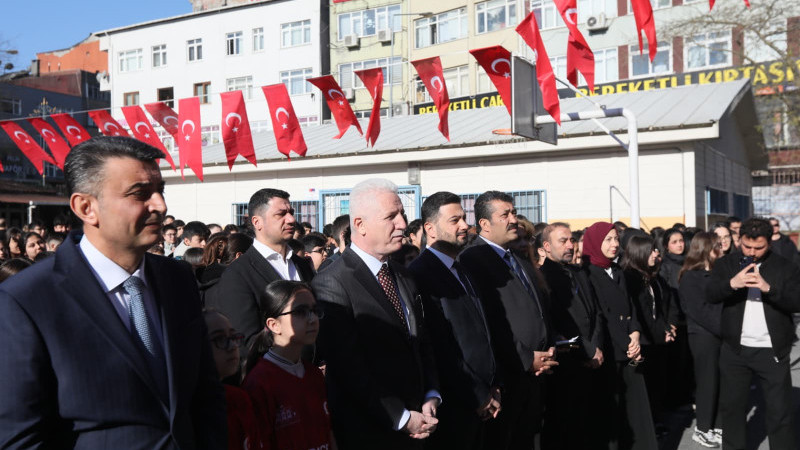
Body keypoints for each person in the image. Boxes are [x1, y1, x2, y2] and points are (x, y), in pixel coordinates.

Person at [0, 136, 225, 447]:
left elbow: (205, 397)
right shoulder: (27, 299)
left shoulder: (178, 279)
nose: (160, 205)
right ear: (86, 207)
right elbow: (21, 437)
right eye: (140, 194)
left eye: (160, 191)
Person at [312, 178, 439, 450]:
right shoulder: (332, 282)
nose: (403, 224)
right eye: (391, 217)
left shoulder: (404, 275)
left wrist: (431, 393)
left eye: (402, 214)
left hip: (421, 420)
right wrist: (401, 418)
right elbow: (348, 366)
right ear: (360, 225)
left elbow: (421, 339)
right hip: (370, 430)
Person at [459, 191, 556, 450]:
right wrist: (526, 358)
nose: (513, 219)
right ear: (485, 224)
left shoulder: (516, 256)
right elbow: (488, 321)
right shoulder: (473, 259)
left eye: (513, 212)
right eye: (505, 215)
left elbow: (537, 308)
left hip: (536, 372)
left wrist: (547, 346)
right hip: (507, 374)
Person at [408, 192, 500, 450]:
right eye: (454, 220)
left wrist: (494, 384)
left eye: (464, 218)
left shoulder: (462, 268)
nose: (464, 226)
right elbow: (440, 346)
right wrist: (478, 394)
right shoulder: (420, 274)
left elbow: (481, 331)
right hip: (455, 404)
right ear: (430, 228)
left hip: (484, 399)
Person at [707, 217, 800, 450]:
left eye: (758, 247)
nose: (752, 252)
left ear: (769, 242)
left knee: (780, 412)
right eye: (747, 246)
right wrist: (733, 283)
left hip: (772, 350)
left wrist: (769, 289)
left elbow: (796, 301)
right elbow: (711, 294)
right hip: (735, 350)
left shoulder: (785, 266)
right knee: (732, 410)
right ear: (740, 241)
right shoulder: (726, 264)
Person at [206, 188, 314, 356]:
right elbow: (245, 341)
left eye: (291, 212)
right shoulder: (239, 273)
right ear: (257, 222)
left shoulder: (302, 265)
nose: (291, 219)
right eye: (281, 214)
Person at [581, 222, 656, 450]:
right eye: (608, 240)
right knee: (612, 414)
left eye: (616, 239)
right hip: (610, 351)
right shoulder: (588, 274)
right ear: (595, 242)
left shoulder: (618, 272)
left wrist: (635, 334)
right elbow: (601, 315)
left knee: (635, 410)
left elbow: (630, 309)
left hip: (629, 347)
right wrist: (626, 342)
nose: (614, 245)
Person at [538, 222, 606, 450]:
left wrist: (596, 345)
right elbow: (559, 319)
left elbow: (595, 311)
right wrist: (587, 349)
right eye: (562, 241)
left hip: (592, 358)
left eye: (572, 240)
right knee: (565, 425)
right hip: (568, 361)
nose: (570, 245)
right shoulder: (543, 277)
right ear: (546, 246)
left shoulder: (578, 273)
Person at [243, 280, 333, 450]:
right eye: (300, 312)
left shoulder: (313, 374)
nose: (312, 319)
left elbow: (328, 434)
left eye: (314, 310)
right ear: (274, 324)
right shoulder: (260, 383)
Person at [621, 234, 678, 433]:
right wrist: (659, 334)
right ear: (640, 252)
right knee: (645, 386)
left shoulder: (651, 278)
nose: (656, 254)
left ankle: (656, 420)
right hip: (643, 342)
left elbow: (659, 308)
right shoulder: (630, 277)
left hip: (656, 340)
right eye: (652, 250)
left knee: (657, 384)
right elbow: (641, 313)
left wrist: (667, 328)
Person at [678, 232, 724, 448]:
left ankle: (716, 425)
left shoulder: (716, 273)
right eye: (717, 246)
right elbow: (700, 311)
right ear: (706, 249)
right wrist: (726, 328)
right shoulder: (690, 277)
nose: (722, 249)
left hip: (719, 335)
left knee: (720, 381)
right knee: (707, 382)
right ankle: (703, 428)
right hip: (703, 336)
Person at [203, 309, 260, 450]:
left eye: (233, 337)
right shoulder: (189, 409)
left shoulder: (238, 399)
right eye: (219, 339)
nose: (232, 346)